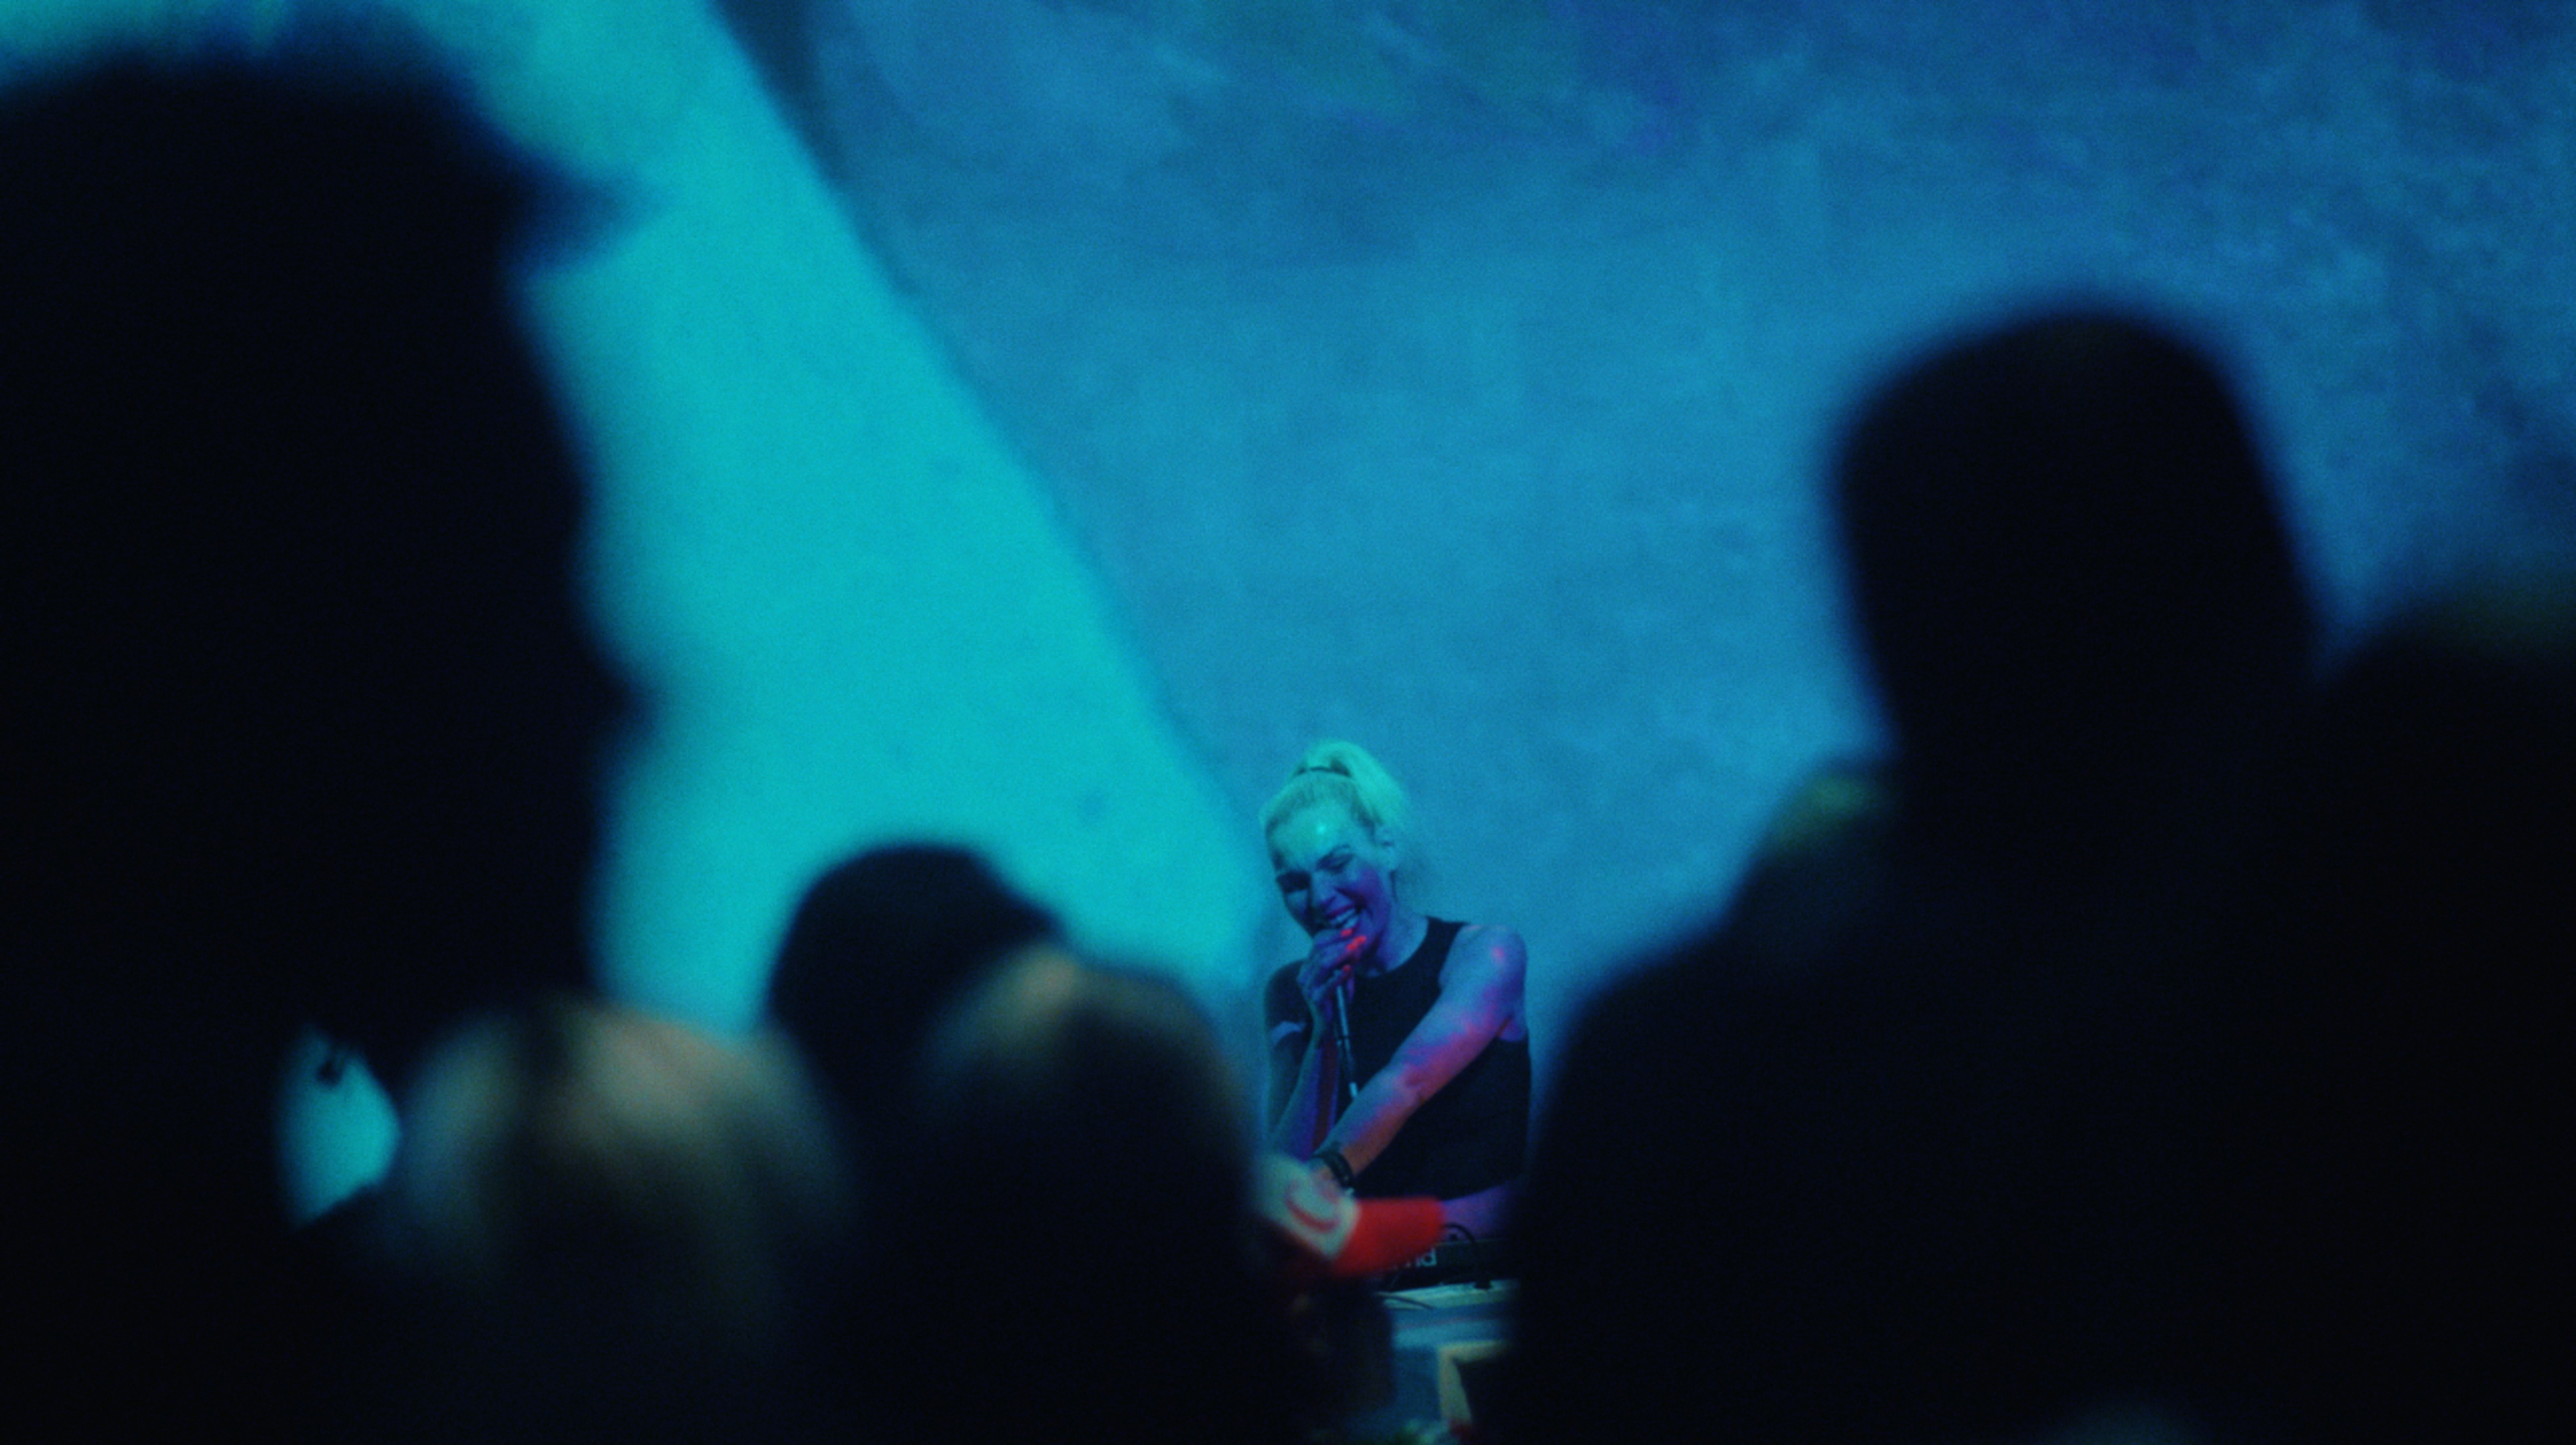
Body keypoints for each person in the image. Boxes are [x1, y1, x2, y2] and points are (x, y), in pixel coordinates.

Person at [1260, 740, 1529, 1238]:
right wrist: (1322, 1037)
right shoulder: (1293, 993)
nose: (1320, 898)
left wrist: (1313, 1189)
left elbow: (1408, 1081)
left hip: (1475, 1266)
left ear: (1388, 848)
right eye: (1294, 883)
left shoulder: (1485, 954)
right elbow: (1282, 1170)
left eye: (1338, 864)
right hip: (1364, 1271)